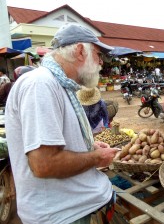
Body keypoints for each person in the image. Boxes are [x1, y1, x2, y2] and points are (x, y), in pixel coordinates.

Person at [5, 23, 119, 224]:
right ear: (81, 51)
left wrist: (88, 147)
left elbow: (58, 142)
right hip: (62, 216)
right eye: (98, 55)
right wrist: (95, 157)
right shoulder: (41, 84)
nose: (101, 63)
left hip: (72, 208)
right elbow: (44, 164)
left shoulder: (60, 85)